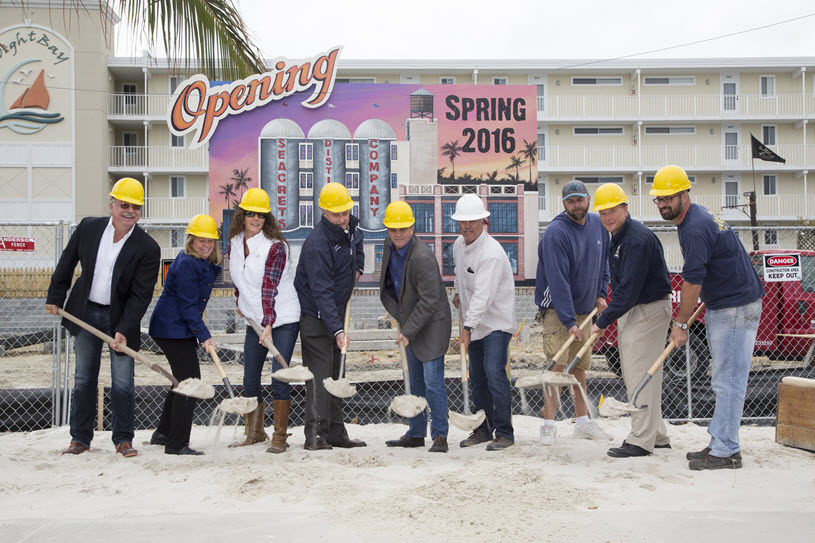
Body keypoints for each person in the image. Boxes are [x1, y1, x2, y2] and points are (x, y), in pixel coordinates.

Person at [651, 165, 764, 470]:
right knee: (723, 379)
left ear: (684, 195)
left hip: (735, 308)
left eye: (668, 198)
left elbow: (692, 281)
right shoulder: (695, 218)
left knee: (728, 381)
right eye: (659, 200)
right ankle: (722, 442)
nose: (663, 204)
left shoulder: (695, 227)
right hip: (730, 303)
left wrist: (681, 324)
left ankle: (725, 451)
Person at [46, 177, 160, 458]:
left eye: (136, 206)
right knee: (84, 377)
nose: (129, 211)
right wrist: (55, 297)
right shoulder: (89, 228)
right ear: (112, 205)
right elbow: (67, 261)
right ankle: (80, 439)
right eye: (124, 204)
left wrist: (124, 328)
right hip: (85, 313)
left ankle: (123, 439)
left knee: (123, 381)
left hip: (119, 320)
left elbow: (140, 295)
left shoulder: (148, 247)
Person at [587, 184, 673, 458]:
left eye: (613, 210)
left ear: (626, 208)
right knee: (644, 375)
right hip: (637, 310)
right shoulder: (620, 237)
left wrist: (601, 322)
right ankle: (656, 434)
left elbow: (627, 292)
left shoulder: (635, 240)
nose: (608, 217)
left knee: (640, 377)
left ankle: (640, 440)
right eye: (603, 212)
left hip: (646, 311)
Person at [536, 180, 611, 445]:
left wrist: (601, 293)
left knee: (579, 367)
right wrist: (568, 321)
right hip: (558, 310)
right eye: (571, 201)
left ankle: (582, 422)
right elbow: (558, 281)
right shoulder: (556, 233)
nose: (576, 205)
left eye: (580, 200)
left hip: (585, 309)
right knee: (557, 367)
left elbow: (604, 264)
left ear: (588, 199)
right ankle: (548, 424)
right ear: (564, 203)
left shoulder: (599, 225)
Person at [228, 188, 301, 453]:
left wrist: (269, 322)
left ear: (267, 217)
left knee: (278, 376)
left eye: (261, 214)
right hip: (255, 320)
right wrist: (240, 302)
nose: (256, 219)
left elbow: (269, 286)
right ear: (243, 215)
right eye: (251, 214)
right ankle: (255, 432)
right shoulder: (235, 242)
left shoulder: (275, 247)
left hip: (281, 318)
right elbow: (239, 278)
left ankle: (279, 436)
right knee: (250, 378)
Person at [294, 182, 365, 451]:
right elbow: (321, 292)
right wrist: (337, 330)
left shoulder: (349, 230)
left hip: (336, 312)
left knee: (337, 376)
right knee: (321, 377)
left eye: (345, 212)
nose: (342, 218)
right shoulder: (317, 244)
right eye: (336, 214)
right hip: (316, 317)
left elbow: (356, 244)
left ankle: (336, 432)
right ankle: (315, 435)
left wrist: (357, 267)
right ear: (324, 212)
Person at [380, 201, 452, 453]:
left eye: (403, 229)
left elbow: (430, 300)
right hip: (410, 322)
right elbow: (389, 286)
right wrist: (400, 317)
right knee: (414, 384)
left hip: (431, 326)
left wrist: (407, 331)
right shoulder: (390, 249)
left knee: (433, 383)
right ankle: (417, 432)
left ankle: (440, 435)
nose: (398, 234)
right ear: (387, 229)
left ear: (412, 227)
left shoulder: (422, 256)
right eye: (393, 229)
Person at [148, 215, 221, 456]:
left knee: (181, 381)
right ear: (191, 240)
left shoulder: (201, 263)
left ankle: (164, 433)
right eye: (201, 240)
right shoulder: (187, 263)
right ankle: (177, 443)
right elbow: (188, 305)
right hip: (172, 328)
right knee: (190, 383)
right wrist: (204, 335)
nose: (206, 245)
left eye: (210, 241)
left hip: (177, 328)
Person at [451, 194, 516, 451]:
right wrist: (457, 292)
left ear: (483, 221)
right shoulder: (459, 245)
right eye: (463, 221)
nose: (468, 226)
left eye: (473, 221)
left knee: (493, 372)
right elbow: (459, 273)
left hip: (496, 323)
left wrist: (467, 328)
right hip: (474, 322)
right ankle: (482, 429)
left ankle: (504, 432)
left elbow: (484, 297)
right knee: (477, 378)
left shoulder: (491, 254)